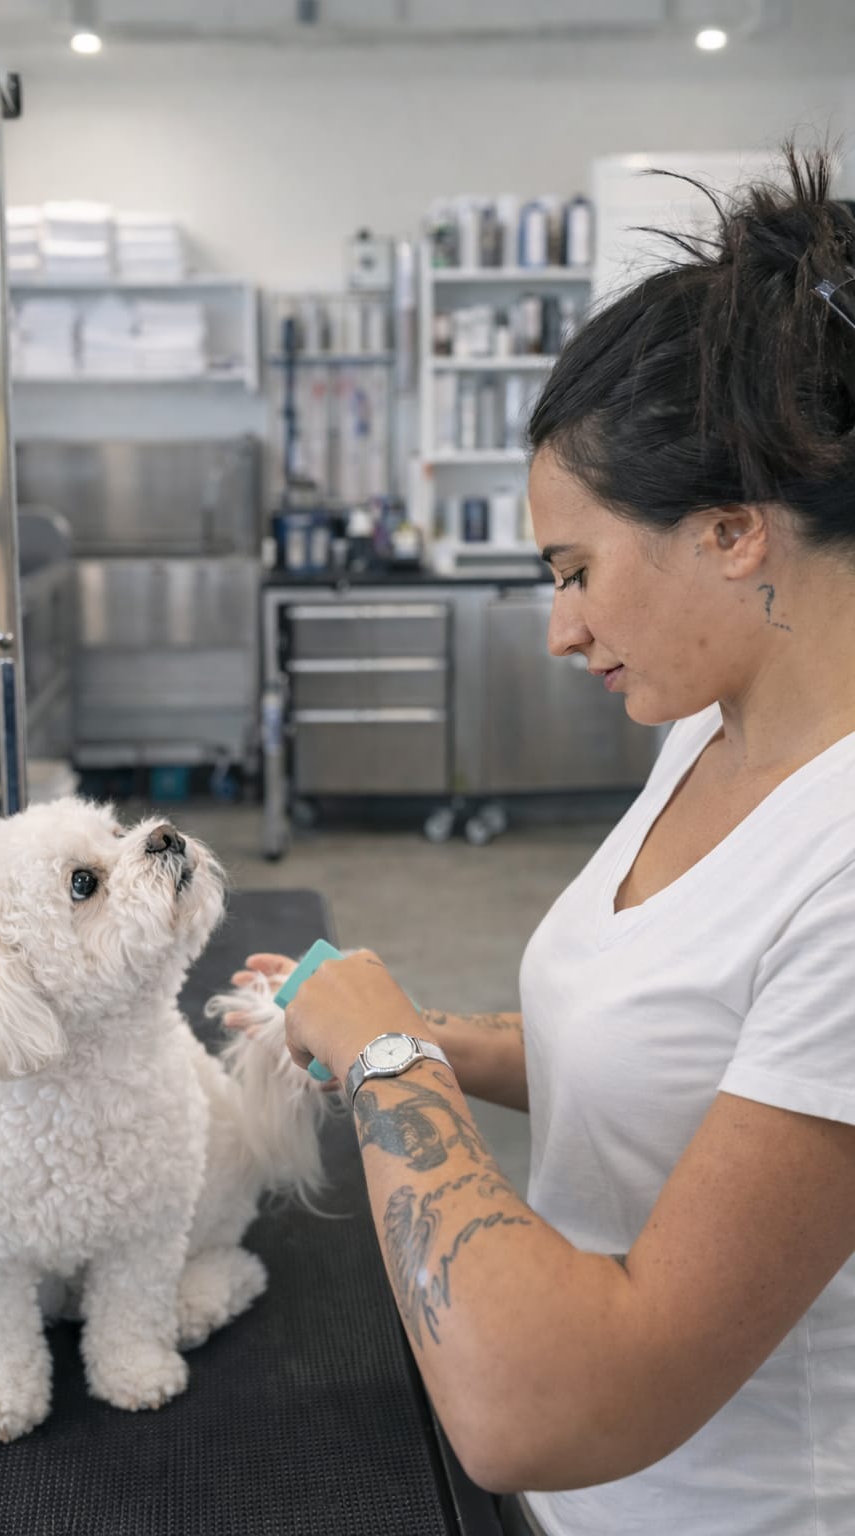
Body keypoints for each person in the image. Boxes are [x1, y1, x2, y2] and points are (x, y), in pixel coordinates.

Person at [232, 146, 855, 1536]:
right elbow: (665, 1046)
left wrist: (393, 1066)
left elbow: (542, 1408)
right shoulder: (712, 728)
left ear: (735, 532)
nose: (562, 627)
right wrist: (398, 1029)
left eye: (577, 571)